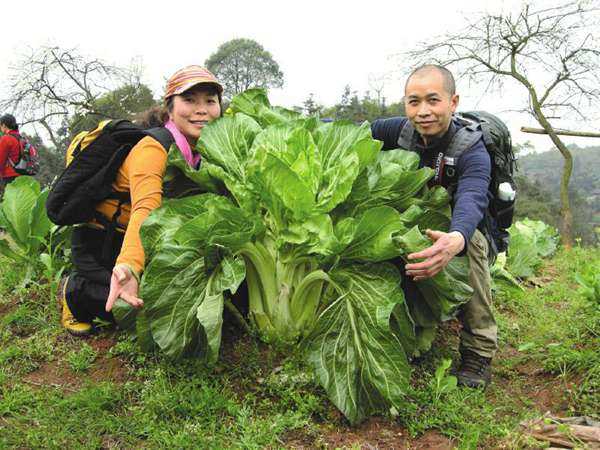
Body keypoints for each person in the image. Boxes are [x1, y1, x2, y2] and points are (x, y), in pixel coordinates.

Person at [59, 66, 223, 336]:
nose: (202, 109)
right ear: (170, 108)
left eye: (210, 101)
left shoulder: (204, 150)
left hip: (151, 241)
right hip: (104, 244)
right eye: (190, 100)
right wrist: (130, 267)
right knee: (139, 309)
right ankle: (75, 291)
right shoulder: (152, 150)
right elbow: (145, 209)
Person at [371, 64, 497, 389]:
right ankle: (403, 328)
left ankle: (478, 352)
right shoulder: (397, 131)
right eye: (414, 102)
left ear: (452, 102)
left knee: (472, 252)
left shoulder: (472, 148)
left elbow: (472, 195)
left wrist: (457, 238)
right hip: (415, 218)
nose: (423, 111)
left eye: (433, 100)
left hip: (459, 226)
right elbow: (349, 133)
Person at [0, 114, 22, 200]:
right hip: (24, 174)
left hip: (10, 176)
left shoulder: (6, 139)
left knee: (11, 201)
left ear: (4, 125)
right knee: (20, 200)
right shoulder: (21, 138)